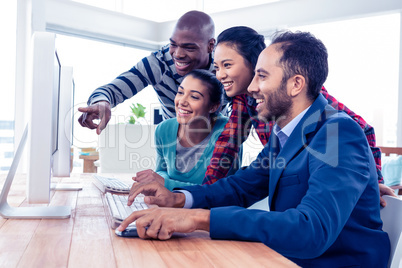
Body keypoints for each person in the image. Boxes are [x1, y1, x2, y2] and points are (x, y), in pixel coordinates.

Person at [118, 31, 390, 267]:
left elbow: (311, 230)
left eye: (261, 76)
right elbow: (240, 187)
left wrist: (199, 219)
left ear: (296, 84)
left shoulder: (337, 133)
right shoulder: (283, 134)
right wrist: (179, 200)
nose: (252, 87)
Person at [207, 26, 395, 205]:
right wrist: (203, 193)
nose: (220, 74)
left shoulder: (306, 96)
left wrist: (374, 180)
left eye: (227, 65)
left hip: (317, 179)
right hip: (290, 182)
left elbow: (361, 128)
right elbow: (227, 146)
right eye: (216, 67)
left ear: (254, 62)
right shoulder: (244, 102)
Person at [77, 10, 216, 134]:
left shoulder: (224, 66)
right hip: (176, 144)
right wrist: (102, 102)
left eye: (189, 48)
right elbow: (113, 90)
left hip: (220, 145)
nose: (178, 54)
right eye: (173, 44)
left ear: (210, 46)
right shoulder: (158, 64)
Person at [134, 69, 239, 190]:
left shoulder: (228, 132)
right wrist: (155, 178)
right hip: (173, 204)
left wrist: (165, 183)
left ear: (213, 107)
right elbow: (162, 170)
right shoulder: (163, 130)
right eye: (180, 92)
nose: (182, 101)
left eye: (194, 97)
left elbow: (220, 191)